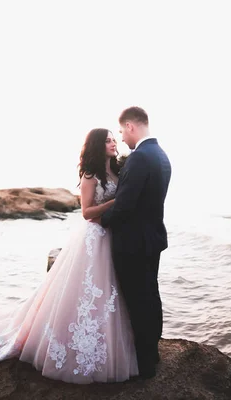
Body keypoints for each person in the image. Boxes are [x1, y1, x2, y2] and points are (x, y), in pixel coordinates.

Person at [0, 128, 138, 384]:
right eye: (108, 140)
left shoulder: (117, 171)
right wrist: (115, 202)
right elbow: (87, 212)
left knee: (108, 293)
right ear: (97, 146)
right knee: (86, 292)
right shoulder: (90, 176)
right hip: (95, 238)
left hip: (111, 237)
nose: (113, 143)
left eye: (114, 139)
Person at [97, 106, 172, 379]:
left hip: (133, 244)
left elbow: (125, 205)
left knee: (138, 302)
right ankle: (151, 353)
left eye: (120, 131)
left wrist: (99, 222)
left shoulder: (140, 158)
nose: (120, 138)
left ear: (130, 126)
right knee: (150, 297)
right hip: (151, 239)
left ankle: (144, 364)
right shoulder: (160, 155)